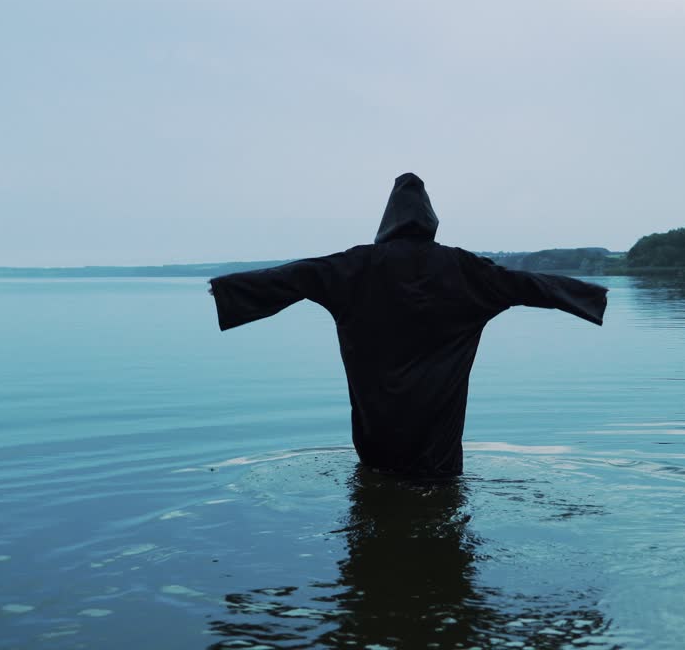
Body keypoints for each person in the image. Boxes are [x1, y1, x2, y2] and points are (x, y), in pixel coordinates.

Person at [208, 173, 607, 478]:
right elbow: (528, 284)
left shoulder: (353, 267)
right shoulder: (465, 270)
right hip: (440, 451)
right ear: (430, 219)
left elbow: (294, 276)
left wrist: (227, 291)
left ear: (387, 220)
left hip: (377, 437)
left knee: (377, 493)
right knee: (440, 512)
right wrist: (588, 297)